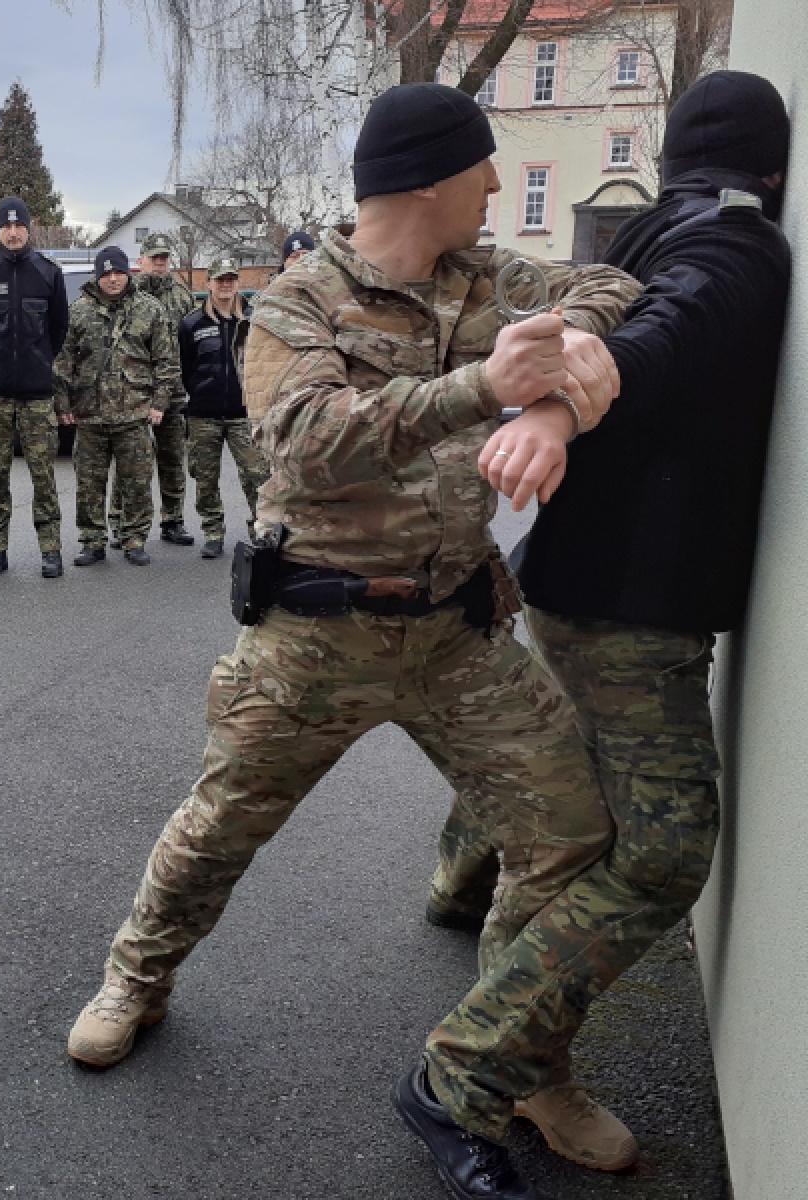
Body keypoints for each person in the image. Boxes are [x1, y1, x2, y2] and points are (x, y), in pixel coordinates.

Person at [65, 83, 657, 1200]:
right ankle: (134, 980)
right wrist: (484, 385)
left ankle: (521, 1061)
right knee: (219, 826)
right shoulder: (298, 298)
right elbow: (309, 447)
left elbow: (613, 278)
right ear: (433, 179)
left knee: (569, 833)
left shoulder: (489, 278)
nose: (499, 187)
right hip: (313, 633)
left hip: (456, 631)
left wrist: (556, 386)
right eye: (487, 168)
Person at [427, 69, 792, 1174]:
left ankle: (462, 883)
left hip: (588, 581)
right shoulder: (736, 242)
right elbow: (663, 334)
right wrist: (555, 402)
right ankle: (484, 1064)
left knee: (568, 808)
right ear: (773, 171)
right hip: (628, 602)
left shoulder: (645, 226)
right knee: (661, 851)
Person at [0, 196, 70, 580]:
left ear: (28, 228)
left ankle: (51, 550)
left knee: (43, 475)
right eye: (5, 227)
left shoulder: (48, 273)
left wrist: (37, 363)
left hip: (37, 395)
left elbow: (58, 330)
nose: (12, 232)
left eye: (18, 226)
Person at [54, 246, 178, 567]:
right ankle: (92, 541)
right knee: (88, 485)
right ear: (98, 276)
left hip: (135, 414)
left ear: (128, 273)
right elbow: (63, 361)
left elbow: (166, 361)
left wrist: (160, 403)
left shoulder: (150, 310)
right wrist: (63, 403)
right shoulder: (78, 311)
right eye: (106, 273)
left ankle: (134, 538)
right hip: (89, 416)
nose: (112, 279)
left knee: (137, 482)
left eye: (118, 272)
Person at [177, 258, 269, 558]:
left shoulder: (254, 321)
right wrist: (199, 393)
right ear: (209, 284)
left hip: (244, 414)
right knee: (206, 478)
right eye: (220, 280)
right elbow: (184, 367)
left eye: (230, 279)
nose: (225, 285)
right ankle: (213, 531)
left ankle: (261, 530)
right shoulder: (192, 324)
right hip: (205, 414)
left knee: (257, 474)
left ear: (237, 283)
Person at [122, 232, 196, 548]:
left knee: (172, 457)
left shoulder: (183, 296)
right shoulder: (128, 295)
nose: (160, 263)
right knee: (130, 462)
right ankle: (124, 523)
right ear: (142, 261)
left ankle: (173, 520)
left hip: (174, 392)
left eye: (165, 258)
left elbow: (192, 344)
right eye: (154, 258)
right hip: (135, 392)